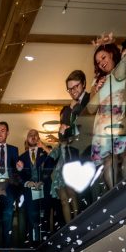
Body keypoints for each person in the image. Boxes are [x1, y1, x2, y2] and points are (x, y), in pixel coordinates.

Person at [88, 41, 126, 189]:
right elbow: (90, 109)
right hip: (103, 126)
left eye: (103, 57)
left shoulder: (122, 67)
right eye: (98, 62)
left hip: (120, 119)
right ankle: (115, 198)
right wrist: (96, 89)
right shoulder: (97, 80)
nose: (101, 63)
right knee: (109, 161)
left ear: (111, 54)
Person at [50, 70, 89, 226]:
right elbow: (62, 136)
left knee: (87, 192)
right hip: (73, 155)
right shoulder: (66, 109)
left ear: (84, 83)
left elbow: (87, 122)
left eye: (76, 87)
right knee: (78, 193)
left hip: (88, 149)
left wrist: (76, 108)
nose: (73, 91)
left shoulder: (90, 98)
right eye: (70, 89)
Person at [16, 129, 54, 244]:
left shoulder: (46, 153)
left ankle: (46, 244)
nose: (32, 137)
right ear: (27, 139)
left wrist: (42, 180)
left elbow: (52, 163)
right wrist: (27, 183)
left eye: (35, 135)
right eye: (30, 135)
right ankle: (34, 244)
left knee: (44, 217)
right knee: (32, 218)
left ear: (38, 138)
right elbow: (17, 175)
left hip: (44, 189)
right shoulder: (21, 157)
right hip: (29, 192)